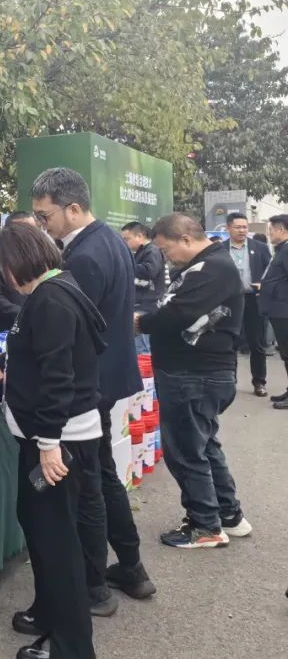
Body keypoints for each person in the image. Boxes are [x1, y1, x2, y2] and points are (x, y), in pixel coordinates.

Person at [0, 221, 103, 659]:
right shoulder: (52, 291)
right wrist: (1, 389)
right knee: (39, 526)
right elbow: (38, 361)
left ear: (13, 265)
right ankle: (48, 613)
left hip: (60, 443)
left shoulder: (51, 300)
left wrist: (48, 445)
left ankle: (71, 647)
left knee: (57, 543)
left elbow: (58, 380)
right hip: (51, 436)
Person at [30, 168, 153, 614]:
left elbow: (68, 330)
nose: (42, 225)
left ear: (74, 209)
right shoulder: (110, 242)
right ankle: (131, 568)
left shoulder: (84, 256)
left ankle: (95, 586)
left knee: (90, 484)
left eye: (45, 216)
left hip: (88, 384)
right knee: (102, 474)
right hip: (106, 375)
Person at [137, 213, 251, 547]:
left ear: (186, 238)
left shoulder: (214, 267)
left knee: (187, 452)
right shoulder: (204, 265)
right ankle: (228, 515)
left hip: (195, 374)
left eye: (166, 249)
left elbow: (178, 313)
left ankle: (205, 526)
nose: (165, 257)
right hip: (195, 373)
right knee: (204, 446)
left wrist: (142, 323)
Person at [223, 212, 272, 395]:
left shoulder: (260, 247)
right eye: (238, 227)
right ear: (228, 228)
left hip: (253, 299)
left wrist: (263, 286)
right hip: (230, 301)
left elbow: (270, 273)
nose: (242, 230)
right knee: (230, 343)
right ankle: (230, 381)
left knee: (256, 343)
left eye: (245, 227)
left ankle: (259, 382)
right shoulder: (220, 248)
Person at [0, 212, 38, 334]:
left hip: (37, 330)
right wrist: (25, 314)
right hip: (6, 331)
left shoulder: (40, 260)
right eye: (25, 230)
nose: (31, 235)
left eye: (33, 230)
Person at [121, 221, 168, 355]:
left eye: (127, 239)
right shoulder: (141, 252)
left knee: (142, 349)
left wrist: (126, 265)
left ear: (140, 236)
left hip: (146, 305)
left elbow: (150, 270)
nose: (125, 243)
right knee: (138, 347)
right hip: (140, 304)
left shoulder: (152, 250)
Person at [258, 215, 288, 408]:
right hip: (279, 309)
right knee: (285, 353)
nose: (269, 234)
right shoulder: (281, 249)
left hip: (284, 310)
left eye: (271, 230)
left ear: (281, 230)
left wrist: (275, 291)